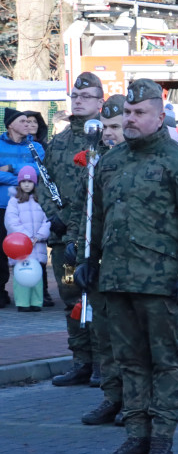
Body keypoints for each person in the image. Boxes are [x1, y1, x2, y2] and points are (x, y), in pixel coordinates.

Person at [78, 78, 178, 454]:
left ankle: (162, 441)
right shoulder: (113, 162)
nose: (131, 120)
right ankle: (135, 437)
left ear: (160, 116)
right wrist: (91, 258)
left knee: (164, 363)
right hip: (118, 280)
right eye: (128, 113)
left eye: (139, 113)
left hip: (161, 282)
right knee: (128, 362)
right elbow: (99, 217)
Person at [42, 73, 104, 386]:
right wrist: (56, 215)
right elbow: (44, 182)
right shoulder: (59, 141)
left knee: (98, 298)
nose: (78, 101)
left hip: (94, 240)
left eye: (86, 97)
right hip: (64, 238)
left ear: (100, 102)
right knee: (71, 298)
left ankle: (103, 364)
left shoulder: (106, 138)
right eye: (75, 97)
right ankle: (81, 361)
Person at [75, 95, 128, 425]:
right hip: (102, 261)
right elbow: (87, 211)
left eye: (116, 127)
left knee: (129, 340)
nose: (110, 133)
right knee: (104, 336)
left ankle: (134, 402)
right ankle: (111, 397)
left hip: (134, 266)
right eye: (106, 127)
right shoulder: (99, 162)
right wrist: (80, 248)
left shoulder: (137, 162)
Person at [0, 108, 44, 308]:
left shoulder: (36, 147)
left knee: (32, 248)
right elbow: (29, 176)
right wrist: (24, 178)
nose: (28, 124)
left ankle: (37, 291)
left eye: (29, 121)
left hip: (30, 207)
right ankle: (1, 291)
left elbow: (39, 172)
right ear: (10, 125)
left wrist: (10, 169)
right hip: (1, 206)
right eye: (23, 121)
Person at [5, 166, 49, 311]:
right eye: (23, 181)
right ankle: (23, 303)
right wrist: (27, 237)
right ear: (19, 183)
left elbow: (47, 220)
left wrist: (39, 236)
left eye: (29, 182)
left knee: (37, 275)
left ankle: (36, 302)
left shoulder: (40, 200)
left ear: (34, 183)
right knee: (22, 275)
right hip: (21, 246)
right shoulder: (14, 201)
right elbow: (12, 221)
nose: (26, 184)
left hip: (37, 245)